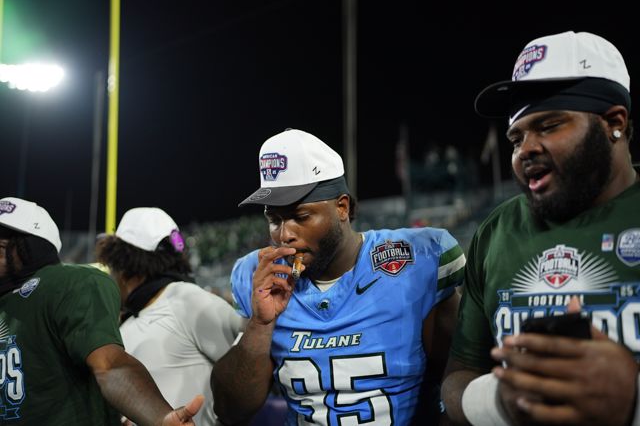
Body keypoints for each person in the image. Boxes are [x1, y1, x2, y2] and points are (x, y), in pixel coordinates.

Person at [441, 31, 640, 426]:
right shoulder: (497, 230)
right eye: (516, 138)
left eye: (548, 126)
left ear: (613, 122)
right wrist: (499, 400)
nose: (525, 149)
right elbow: (457, 378)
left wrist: (631, 400)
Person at [211, 128, 466, 425]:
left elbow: (463, 380)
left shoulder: (415, 259)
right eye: (274, 219)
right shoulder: (259, 274)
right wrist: (259, 324)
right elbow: (230, 409)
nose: (285, 234)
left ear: (342, 207)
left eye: (300, 216)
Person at [0, 197, 203, 425]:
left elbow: (110, 366)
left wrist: (160, 418)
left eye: (2, 245)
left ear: (32, 248)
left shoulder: (67, 283)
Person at [95, 207, 245, 426]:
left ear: (126, 265)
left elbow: (250, 367)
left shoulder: (188, 299)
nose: (112, 275)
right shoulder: (133, 318)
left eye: (113, 267)